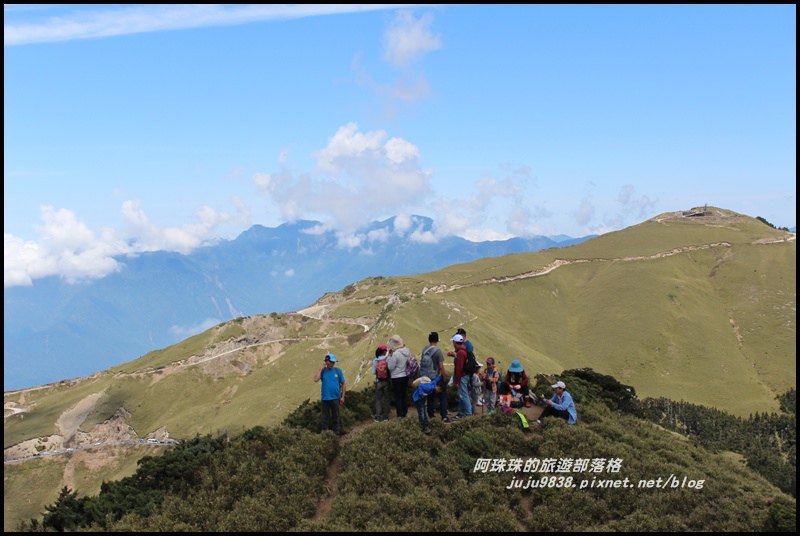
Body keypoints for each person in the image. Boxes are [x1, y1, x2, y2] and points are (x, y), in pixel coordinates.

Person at [418, 331, 450, 422]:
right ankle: (444, 416)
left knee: (430, 397)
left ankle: (431, 416)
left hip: (425, 377)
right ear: (437, 340)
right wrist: (443, 378)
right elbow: (441, 366)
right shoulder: (438, 351)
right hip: (435, 377)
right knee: (442, 396)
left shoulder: (424, 350)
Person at [313, 353, 346, 435]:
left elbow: (343, 384)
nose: (332, 364)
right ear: (326, 361)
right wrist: (320, 369)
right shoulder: (323, 372)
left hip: (335, 398)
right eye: (330, 362)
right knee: (324, 418)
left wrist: (342, 397)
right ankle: (325, 435)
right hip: (325, 399)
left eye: (333, 362)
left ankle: (336, 434)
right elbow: (315, 379)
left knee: (336, 417)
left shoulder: (338, 371)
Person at [386, 334, 411, 418]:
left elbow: (390, 367)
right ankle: (405, 412)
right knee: (403, 395)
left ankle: (400, 414)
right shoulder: (407, 351)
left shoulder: (396, 354)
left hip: (396, 377)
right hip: (405, 376)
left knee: (398, 397)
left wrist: (389, 358)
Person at [449, 334, 472, 420]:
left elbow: (459, 368)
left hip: (462, 376)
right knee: (463, 395)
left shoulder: (460, 352)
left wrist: (457, 381)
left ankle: (468, 414)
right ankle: (461, 413)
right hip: (465, 376)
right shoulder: (463, 349)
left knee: (464, 395)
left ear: (455, 342)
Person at [372, 344, 390, 422]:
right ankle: (386, 417)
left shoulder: (375, 360)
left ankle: (378, 417)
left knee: (378, 399)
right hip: (387, 381)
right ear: (384, 352)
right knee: (386, 399)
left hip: (378, 381)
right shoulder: (387, 359)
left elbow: (373, 372)